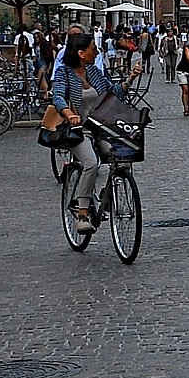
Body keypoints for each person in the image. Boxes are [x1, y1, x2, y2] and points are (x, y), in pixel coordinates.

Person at [56, 32, 126, 232]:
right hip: (79, 129)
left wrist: (129, 80)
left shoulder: (94, 71)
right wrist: (69, 114)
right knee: (91, 163)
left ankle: (106, 195)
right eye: (93, 49)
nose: (96, 53)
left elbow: (111, 92)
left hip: (99, 127)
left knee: (123, 154)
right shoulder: (64, 73)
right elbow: (59, 97)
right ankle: (83, 212)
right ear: (81, 53)